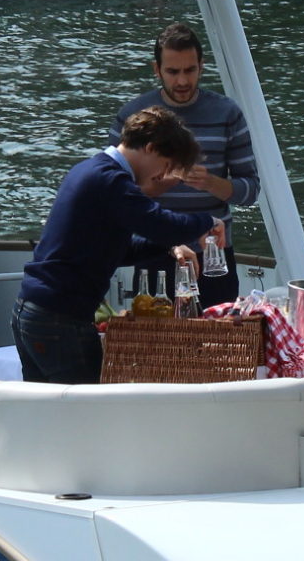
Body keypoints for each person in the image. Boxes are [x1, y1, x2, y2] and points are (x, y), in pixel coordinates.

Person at [12, 107, 216, 384]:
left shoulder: (91, 170)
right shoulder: (111, 181)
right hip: (60, 317)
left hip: (34, 310)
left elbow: (119, 250)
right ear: (151, 148)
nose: (161, 176)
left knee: (45, 415)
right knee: (89, 415)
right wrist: (210, 221)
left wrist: (169, 247)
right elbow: (162, 224)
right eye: (166, 166)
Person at [114, 20, 256, 308]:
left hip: (213, 255)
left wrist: (212, 183)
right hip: (156, 252)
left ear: (202, 66)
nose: (182, 81)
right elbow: (117, 191)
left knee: (220, 343)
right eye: (173, 71)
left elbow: (250, 191)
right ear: (157, 70)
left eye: (190, 70)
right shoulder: (133, 116)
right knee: (159, 345)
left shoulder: (227, 113)